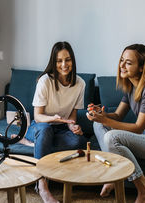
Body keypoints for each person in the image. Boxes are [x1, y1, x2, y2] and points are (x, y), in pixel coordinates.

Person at [87, 44, 145, 203]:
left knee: (111, 137)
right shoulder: (131, 85)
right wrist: (101, 115)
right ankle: (113, 176)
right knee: (98, 125)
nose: (121, 65)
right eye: (121, 60)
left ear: (142, 67)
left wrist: (105, 119)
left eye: (128, 63)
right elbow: (117, 115)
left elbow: (138, 128)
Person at [24, 41, 87, 203]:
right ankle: (42, 185)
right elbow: (38, 116)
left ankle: (37, 145)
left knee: (79, 140)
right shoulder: (45, 81)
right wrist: (53, 118)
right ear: (54, 62)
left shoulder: (80, 84)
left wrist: (73, 126)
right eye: (59, 61)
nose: (64, 65)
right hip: (40, 126)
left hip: (60, 129)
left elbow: (72, 117)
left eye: (67, 60)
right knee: (45, 130)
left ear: (73, 60)